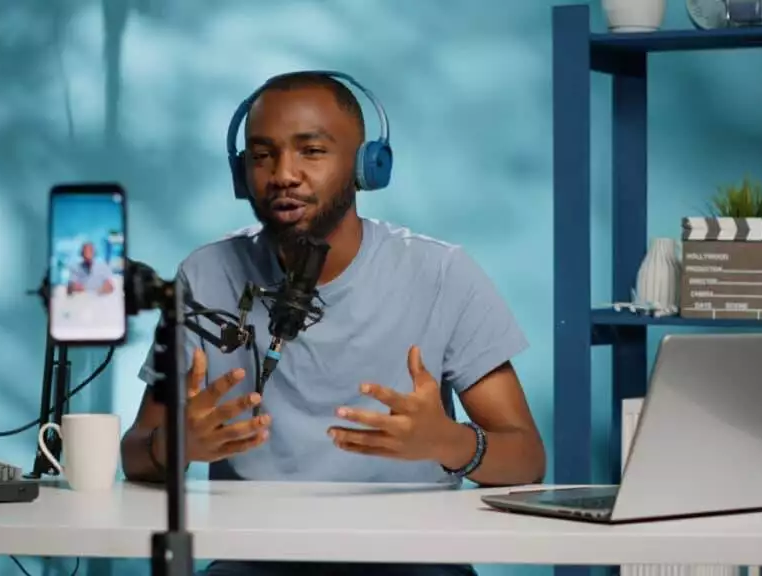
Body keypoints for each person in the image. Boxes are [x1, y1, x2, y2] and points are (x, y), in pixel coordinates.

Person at [120, 71, 546, 576]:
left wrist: (446, 442)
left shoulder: (441, 273)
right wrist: (178, 445)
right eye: (262, 156)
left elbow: (526, 458)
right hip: (256, 560)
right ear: (242, 174)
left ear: (367, 164)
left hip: (412, 561)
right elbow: (136, 452)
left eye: (312, 152)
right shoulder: (205, 275)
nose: (283, 173)